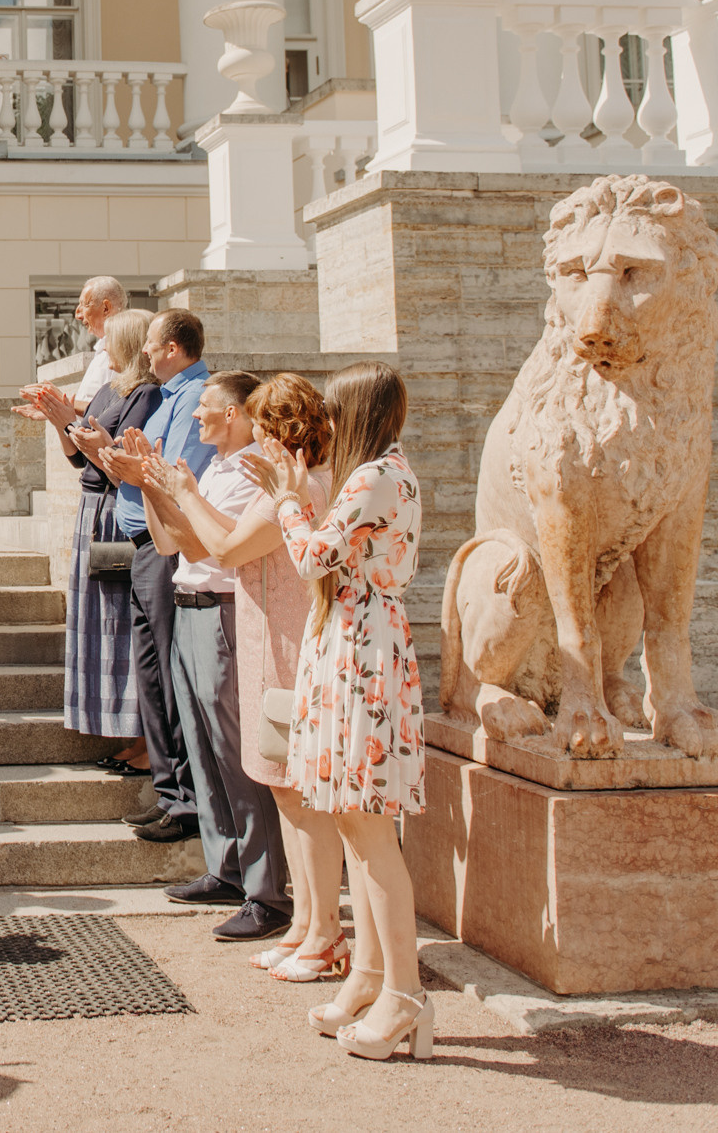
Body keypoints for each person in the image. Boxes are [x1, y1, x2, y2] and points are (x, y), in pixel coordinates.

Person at [240, 361, 431, 1062]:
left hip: (361, 649)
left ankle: (404, 994)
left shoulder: (375, 475)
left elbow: (312, 557)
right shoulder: (383, 471)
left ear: (357, 413)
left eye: (336, 409)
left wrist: (290, 503)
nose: (328, 420)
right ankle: (372, 977)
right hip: (354, 642)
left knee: (369, 830)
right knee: (355, 823)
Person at [130, 370, 321, 946]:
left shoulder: (250, 473)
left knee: (239, 752)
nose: (195, 414)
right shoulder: (214, 468)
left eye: (205, 406)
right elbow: (169, 543)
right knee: (203, 745)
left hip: (223, 609)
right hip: (189, 603)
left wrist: (175, 492)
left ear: (234, 413)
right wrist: (149, 484)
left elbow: (213, 547)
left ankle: (267, 892)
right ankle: (226, 868)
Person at [93, 309, 217, 846]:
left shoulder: (194, 397)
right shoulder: (169, 397)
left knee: (168, 674)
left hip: (166, 546)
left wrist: (131, 467)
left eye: (150, 343)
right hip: (144, 545)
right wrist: (109, 456)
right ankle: (170, 796)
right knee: (150, 674)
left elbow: (171, 476)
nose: (144, 351)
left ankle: (187, 803)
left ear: (172, 348)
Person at [20, 307, 157, 773]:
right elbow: (80, 458)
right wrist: (59, 420)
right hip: (93, 509)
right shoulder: (108, 388)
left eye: (110, 339)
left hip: (119, 513)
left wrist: (71, 425)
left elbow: (114, 459)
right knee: (100, 621)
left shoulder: (145, 393)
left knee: (120, 622)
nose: (103, 347)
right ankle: (126, 733)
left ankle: (144, 740)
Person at [68, 276, 130, 409]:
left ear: (106, 308)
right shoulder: (101, 349)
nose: (78, 315)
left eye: (84, 304)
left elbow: (112, 411)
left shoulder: (124, 350)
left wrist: (60, 402)